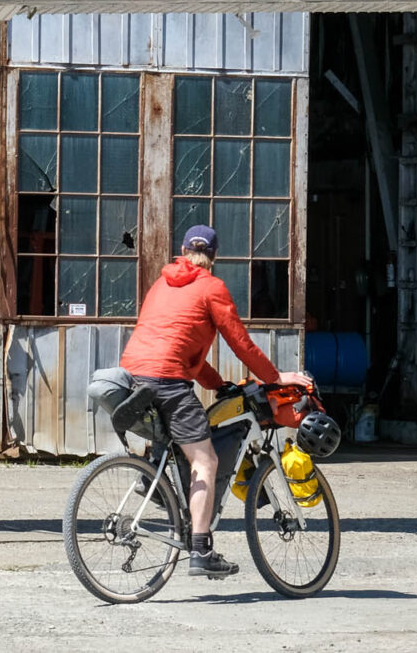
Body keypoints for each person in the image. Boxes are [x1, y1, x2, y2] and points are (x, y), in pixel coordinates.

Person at [119, 223, 310, 578]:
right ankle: (201, 550)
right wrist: (275, 377)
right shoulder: (211, 288)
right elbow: (241, 344)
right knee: (204, 459)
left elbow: (182, 351)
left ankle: (156, 482)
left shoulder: (160, 285)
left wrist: (217, 383)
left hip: (133, 377)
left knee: (177, 444)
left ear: (181, 250)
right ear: (214, 256)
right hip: (168, 382)